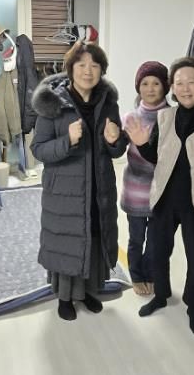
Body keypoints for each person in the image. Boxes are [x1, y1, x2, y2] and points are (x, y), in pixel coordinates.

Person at [124, 57, 194, 335]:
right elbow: (157, 156)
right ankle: (161, 296)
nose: (185, 88)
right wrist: (142, 145)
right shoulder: (165, 117)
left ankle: (192, 305)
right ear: (172, 88)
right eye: (179, 83)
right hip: (165, 198)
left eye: (191, 82)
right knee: (158, 253)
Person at [30, 41, 127, 321]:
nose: (88, 71)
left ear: (102, 71)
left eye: (95, 65)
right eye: (81, 64)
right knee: (67, 241)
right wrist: (68, 141)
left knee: (94, 237)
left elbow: (117, 149)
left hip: (99, 188)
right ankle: (65, 298)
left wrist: (115, 140)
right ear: (70, 69)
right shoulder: (53, 104)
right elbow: (39, 150)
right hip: (65, 191)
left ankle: (87, 292)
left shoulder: (108, 103)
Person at [120, 61, 170, 296]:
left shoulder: (173, 116)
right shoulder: (130, 117)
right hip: (136, 191)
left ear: (165, 86)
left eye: (156, 83)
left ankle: (150, 274)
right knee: (136, 238)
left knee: (156, 240)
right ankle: (136, 276)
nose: (150, 89)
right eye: (145, 83)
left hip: (163, 192)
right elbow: (116, 148)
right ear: (138, 87)